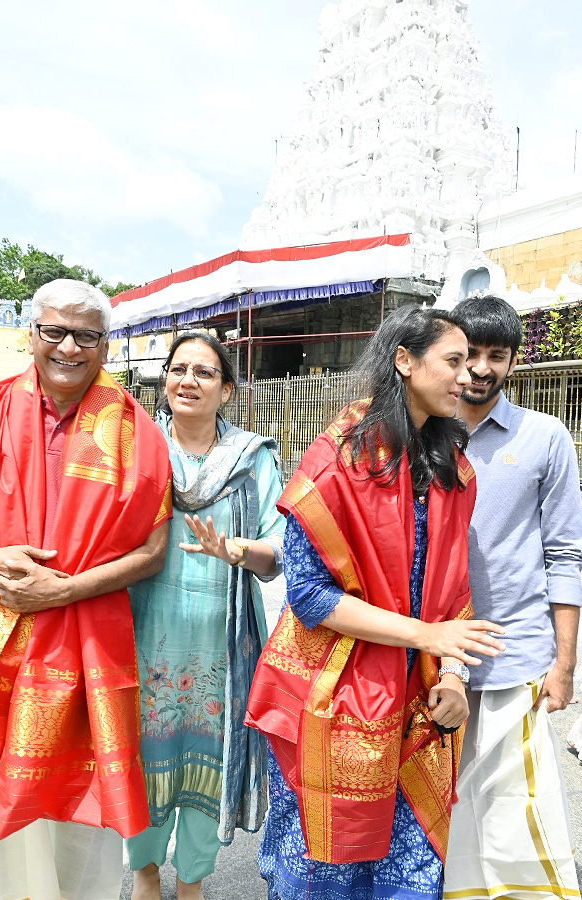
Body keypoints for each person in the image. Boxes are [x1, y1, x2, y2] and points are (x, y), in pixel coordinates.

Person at [245, 305, 506, 900]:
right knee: (325, 869)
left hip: (418, 697)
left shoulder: (452, 468)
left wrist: (456, 679)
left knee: (413, 875)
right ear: (404, 360)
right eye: (454, 361)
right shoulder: (340, 456)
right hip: (331, 692)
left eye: (470, 362)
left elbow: (453, 596)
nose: (466, 376)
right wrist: (425, 637)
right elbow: (310, 596)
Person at [0, 279, 172, 900]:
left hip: (86, 650)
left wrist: (59, 593)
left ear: (105, 343)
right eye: (54, 330)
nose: (69, 346)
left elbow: (151, 550)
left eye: (86, 335)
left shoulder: (138, 431)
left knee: (78, 819)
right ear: (30, 335)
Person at [125, 331, 285, 900]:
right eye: (178, 369)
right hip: (145, 628)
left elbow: (279, 548)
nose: (188, 380)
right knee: (144, 751)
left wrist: (235, 550)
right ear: (164, 379)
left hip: (223, 639)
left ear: (227, 391)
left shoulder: (253, 459)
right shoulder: (139, 449)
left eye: (204, 372)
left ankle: (191, 879)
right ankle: (144, 870)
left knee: (210, 756)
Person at [443, 294, 582, 900]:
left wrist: (564, 663)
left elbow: (566, 553)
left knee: (515, 815)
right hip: (430, 655)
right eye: (467, 353)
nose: (479, 368)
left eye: (495, 356)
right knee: (441, 807)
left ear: (511, 363)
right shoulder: (421, 436)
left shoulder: (545, 437)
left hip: (514, 654)